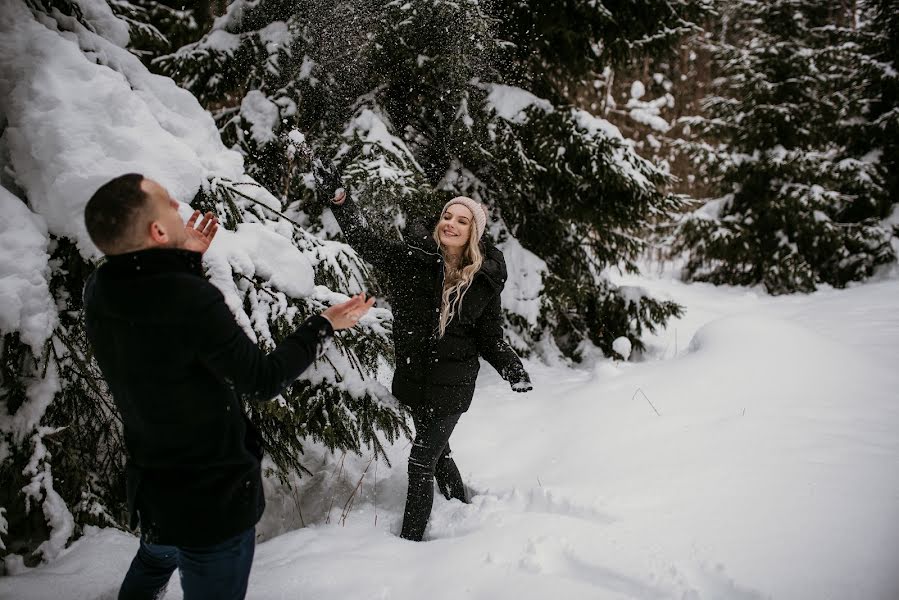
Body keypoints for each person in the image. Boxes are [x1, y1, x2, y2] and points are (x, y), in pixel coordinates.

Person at [82, 173, 374, 600]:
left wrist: (184, 260)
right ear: (159, 231)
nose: (180, 206)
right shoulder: (190, 301)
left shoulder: (101, 288)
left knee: (156, 557)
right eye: (168, 202)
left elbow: (159, 330)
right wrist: (324, 324)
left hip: (156, 485)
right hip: (210, 500)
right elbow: (263, 378)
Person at [313, 160, 533, 542]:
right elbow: (364, 240)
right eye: (448, 215)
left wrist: (513, 370)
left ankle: (411, 546)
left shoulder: (482, 282)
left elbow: (490, 338)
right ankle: (461, 507)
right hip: (414, 379)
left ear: (473, 234)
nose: (450, 223)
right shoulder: (410, 261)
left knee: (420, 462)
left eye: (462, 221)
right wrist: (341, 199)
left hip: (453, 385)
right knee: (438, 454)